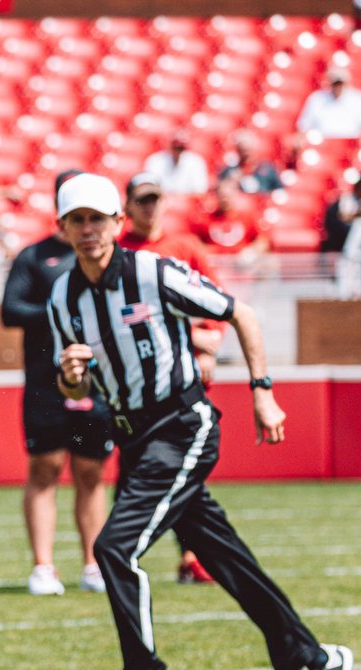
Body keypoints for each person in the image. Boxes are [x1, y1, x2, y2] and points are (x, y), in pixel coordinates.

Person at [46, 173, 354, 670]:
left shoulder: (152, 271)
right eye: (77, 219)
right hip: (135, 438)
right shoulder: (62, 297)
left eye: (98, 218)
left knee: (115, 547)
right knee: (230, 562)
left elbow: (241, 313)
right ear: (62, 227)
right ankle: (318, 659)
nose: (88, 229)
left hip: (183, 424)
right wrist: (70, 380)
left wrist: (263, 391)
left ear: (118, 223)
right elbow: (75, 387)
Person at [1, 168, 112, 597]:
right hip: (45, 384)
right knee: (44, 469)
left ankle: (93, 564)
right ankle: (44, 566)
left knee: (90, 472)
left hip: (97, 384)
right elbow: (12, 309)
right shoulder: (34, 257)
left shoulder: (104, 258)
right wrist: (61, 311)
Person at [120, 172, 225, 585]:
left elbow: (219, 303)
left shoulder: (184, 248)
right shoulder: (117, 251)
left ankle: (190, 555)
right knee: (137, 471)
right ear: (127, 207)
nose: (149, 207)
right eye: (142, 200)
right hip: (134, 382)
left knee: (185, 470)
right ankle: (123, 555)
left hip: (182, 380)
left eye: (155, 199)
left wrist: (206, 343)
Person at [190, 176, 270, 263]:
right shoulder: (206, 218)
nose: (225, 199)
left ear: (235, 195)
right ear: (217, 196)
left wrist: (251, 253)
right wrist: (207, 252)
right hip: (215, 265)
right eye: (222, 196)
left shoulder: (246, 217)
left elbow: (262, 241)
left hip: (241, 266)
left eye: (228, 196)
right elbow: (195, 242)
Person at [297, 66, 361, 140]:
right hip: (323, 146)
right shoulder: (316, 98)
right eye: (335, 83)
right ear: (330, 83)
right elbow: (304, 126)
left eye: (340, 83)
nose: (338, 87)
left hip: (350, 147)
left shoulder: (358, 98)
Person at [217, 130, 284, 196]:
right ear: (238, 150)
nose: (246, 154)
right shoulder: (229, 171)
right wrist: (231, 182)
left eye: (249, 150)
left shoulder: (268, 170)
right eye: (243, 150)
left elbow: (279, 192)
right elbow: (221, 193)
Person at [142, 130, 208, 196]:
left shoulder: (196, 162)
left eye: (181, 148)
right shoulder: (155, 161)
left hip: (187, 203)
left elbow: (200, 192)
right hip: (162, 202)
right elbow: (149, 188)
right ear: (169, 146)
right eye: (175, 147)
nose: (178, 151)